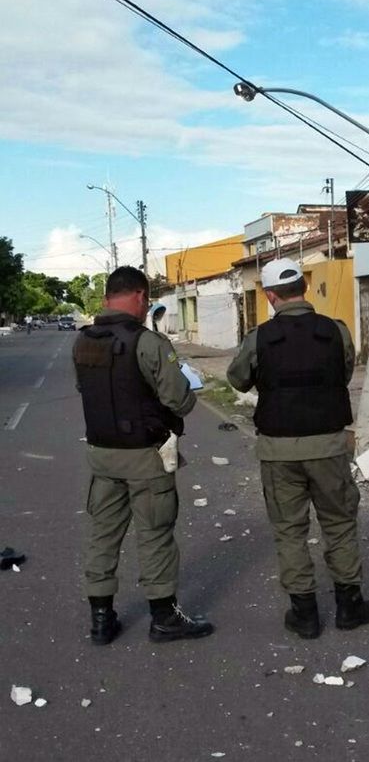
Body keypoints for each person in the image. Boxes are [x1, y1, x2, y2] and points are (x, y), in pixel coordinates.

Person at [227, 258, 369, 639]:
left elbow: (238, 380)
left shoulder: (258, 337)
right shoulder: (337, 331)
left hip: (278, 451)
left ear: (270, 295)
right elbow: (344, 373)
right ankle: (349, 607)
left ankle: (305, 615)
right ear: (304, 288)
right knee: (340, 524)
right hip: (329, 447)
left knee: (290, 530)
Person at [72, 266, 213, 645]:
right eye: (146, 299)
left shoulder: (83, 341)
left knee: (103, 535)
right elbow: (178, 401)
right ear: (139, 297)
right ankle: (164, 618)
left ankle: (101, 619)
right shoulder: (148, 342)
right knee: (155, 535)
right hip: (145, 458)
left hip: (102, 457)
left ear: (106, 299)